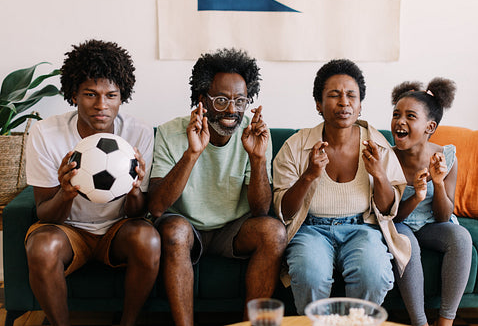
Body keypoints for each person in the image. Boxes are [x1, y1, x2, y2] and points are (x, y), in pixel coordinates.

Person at [24, 39, 161, 326]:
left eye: (111, 95)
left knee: (148, 239)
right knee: (41, 246)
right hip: (68, 230)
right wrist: (65, 193)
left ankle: (128, 322)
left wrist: (135, 189)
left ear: (122, 97)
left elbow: (138, 213)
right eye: (90, 94)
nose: (102, 105)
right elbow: (43, 212)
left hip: (117, 229)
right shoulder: (45, 133)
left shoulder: (138, 132)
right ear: (73, 95)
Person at [148, 47, 287, 325]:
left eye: (240, 101)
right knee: (174, 231)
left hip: (233, 230)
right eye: (221, 100)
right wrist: (192, 154)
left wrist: (258, 158)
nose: (232, 110)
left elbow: (261, 210)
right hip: (185, 226)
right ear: (202, 99)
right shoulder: (170, 132)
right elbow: (156, 206)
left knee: (274, 232)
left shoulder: (254, 132)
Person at [273, 59, 410, 315]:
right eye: (334, 95)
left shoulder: (377, 145)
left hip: (362, 229)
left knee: (375, 274)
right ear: (318, 104)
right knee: (309, 273)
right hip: (311, 230)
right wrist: (309, 175)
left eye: (351, 96)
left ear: (359, 106)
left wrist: (379, 175)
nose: (344, 102)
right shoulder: (295, 146)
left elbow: (388, 210)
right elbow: (285, 212)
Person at [390, 78, 472, 326]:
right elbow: (392, 216)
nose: (400, 121)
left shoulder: (446, 157)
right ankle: (420, 322)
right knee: (406, 242)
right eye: (396, 114)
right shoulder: (387, 157)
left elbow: (444, 217)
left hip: (432, 224)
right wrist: (417, 194)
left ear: (429, 126)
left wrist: (437, 183)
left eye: (410, 116)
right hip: (400, 220)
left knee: (461, 238)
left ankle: (445, 321)